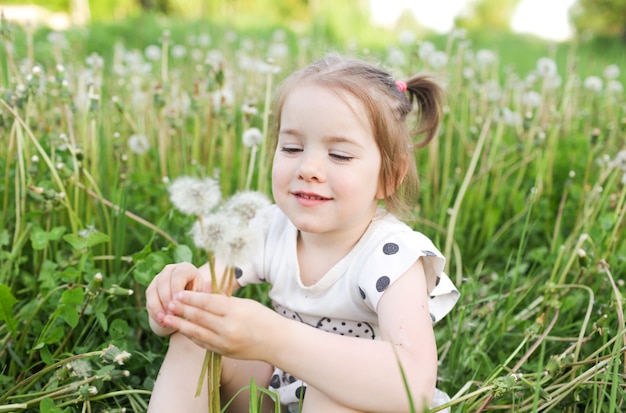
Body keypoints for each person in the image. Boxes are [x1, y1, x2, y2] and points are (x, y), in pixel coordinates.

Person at [145, 54, 460, 413]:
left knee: (331, 395)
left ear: (389, 176)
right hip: (282, 390)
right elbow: (204, 298)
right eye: (292, 148)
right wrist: (174, 303)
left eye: (339, 155)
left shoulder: (393, 256)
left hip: (367, 400)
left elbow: (412, 386)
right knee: (197, 335)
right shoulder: (269, 228)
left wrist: (275, 338)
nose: (308, 168)